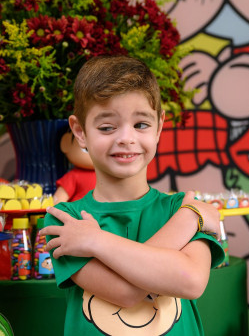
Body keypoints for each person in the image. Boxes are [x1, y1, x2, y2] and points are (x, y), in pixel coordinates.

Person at [40, 55, 225, 335]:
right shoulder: (67, 221)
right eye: (107, 127)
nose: (126, 138)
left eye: (141, 125)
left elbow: (190, 281)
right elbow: (126, 293)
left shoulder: (180, 207)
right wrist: (188, 221)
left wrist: (95, 242)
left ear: (159, 127)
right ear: (79, 131)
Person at [52, 129, 96, 204]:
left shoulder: (108, 175)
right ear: (65, 144)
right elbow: (58, 201)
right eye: (86, 149)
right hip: (79, 210)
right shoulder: (73, 176)